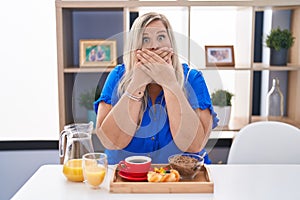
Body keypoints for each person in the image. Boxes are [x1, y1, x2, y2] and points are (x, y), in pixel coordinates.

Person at [94, 12, 218, 165]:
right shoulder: (118, 76)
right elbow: (110, 142)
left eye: (161, 37)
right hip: (126, 176)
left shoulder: (192, 78)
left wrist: (170, 83)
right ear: (135, 47)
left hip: (183, 177)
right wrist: (137, 83)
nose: (154, 46)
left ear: (171, 44)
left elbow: (194, 145)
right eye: (145, 39)